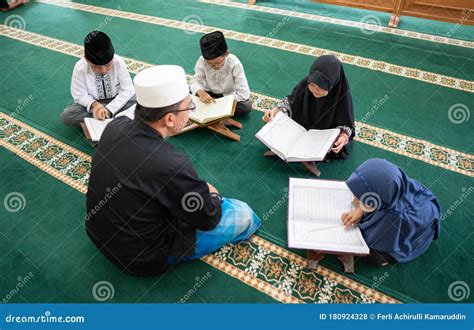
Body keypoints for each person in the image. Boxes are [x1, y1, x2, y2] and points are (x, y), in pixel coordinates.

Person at [85, 65, 261, 276]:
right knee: (243, 214)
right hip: (142, 257)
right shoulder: (171, 163)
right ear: (169, 118)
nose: (190, 112)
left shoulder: (115, 126)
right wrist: (212, 196)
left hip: (98, 235)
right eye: (189, 107)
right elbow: (207, 219)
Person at [342, 158, 441, 266]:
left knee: (371, 255)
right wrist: (360, 209)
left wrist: (361, 209)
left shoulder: (395, 217)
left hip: (412, 235)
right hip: (414, 216)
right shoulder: (397, 183)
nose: (354, 200)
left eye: (361, 199)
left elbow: (375, 238)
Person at [262, 55, 355, 160]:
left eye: (321, 87)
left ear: (332, 84)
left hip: (324, 133)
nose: (315, 90)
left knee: (333, 146)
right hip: (300, 125)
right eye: (312, 85)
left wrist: (342, 136)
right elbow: (290, 102)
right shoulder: (307, 82)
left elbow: (347, 124)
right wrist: (274, 111)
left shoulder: (341, 93)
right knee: (275, 123)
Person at [60, 31, 135, 127]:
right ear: (87, 60)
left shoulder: (118, 62)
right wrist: (95, 105)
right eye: (97, 67)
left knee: (143, 101)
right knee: (67, 116)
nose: (103, 70)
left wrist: (109, 109)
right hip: (93, 106)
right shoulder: (80, 68)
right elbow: (79, 95)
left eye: (108, 65)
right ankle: (117, 120)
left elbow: (128, 90)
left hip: (118, 100)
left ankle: (99, 122)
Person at [190, 31, 252, 117]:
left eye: (218, 62)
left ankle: (212, 108)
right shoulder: (202, 61)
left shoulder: (234, 63)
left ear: (226, 54)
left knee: (246, 106)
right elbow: (196, 80)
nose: (214, 66)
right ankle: (218, 110)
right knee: (188, 93)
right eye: (210, 64)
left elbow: (244, 93)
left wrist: (223, 102)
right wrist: (201, 92)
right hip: (209, 93)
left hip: (228, 96)